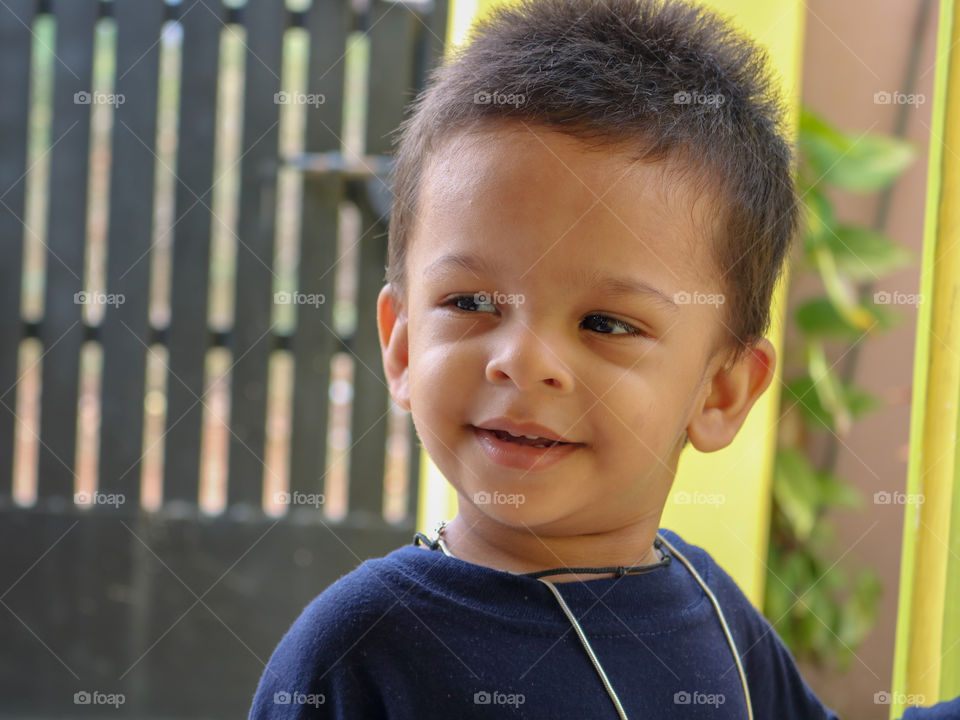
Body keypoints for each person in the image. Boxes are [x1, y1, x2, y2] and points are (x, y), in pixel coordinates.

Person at [249, 0, 960, 717]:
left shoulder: (712, 609)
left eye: (605, 322)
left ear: (721, 393)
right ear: (402, 345)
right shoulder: (358, 651)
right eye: (470, 304)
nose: (523, 362)